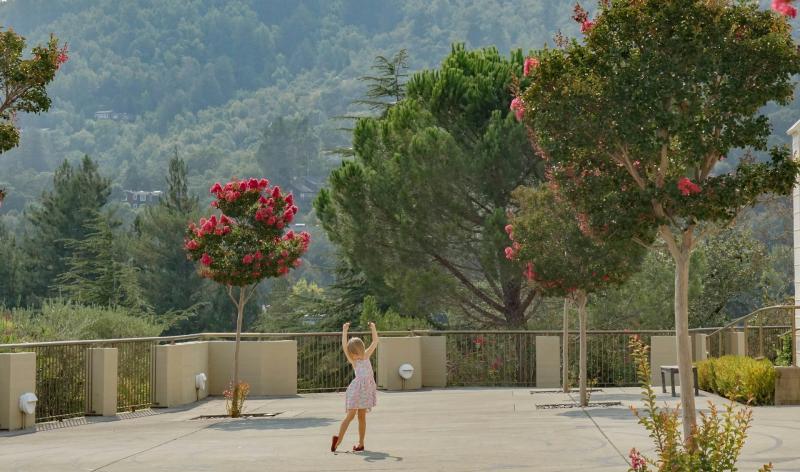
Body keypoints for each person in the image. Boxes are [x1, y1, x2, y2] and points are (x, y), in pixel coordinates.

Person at [331, 321, 378, 452]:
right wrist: (344, 330)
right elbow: (345, 347)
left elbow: (375, 341)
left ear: (361, 350)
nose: (355, 355)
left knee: (362, 416)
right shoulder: (354, 361)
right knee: (350, 415)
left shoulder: (366, 355)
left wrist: (373, 328)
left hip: (366, 390)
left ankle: (361, 444)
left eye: (356, 352)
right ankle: (338, 440)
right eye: (353, 354)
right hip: (356, 390)